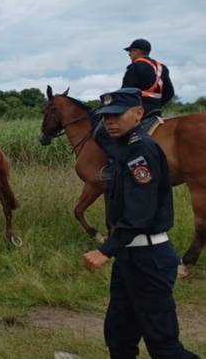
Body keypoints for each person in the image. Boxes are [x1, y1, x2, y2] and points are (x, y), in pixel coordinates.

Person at [82, 88, 198, 359]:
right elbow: (99, 135)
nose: (109, 121)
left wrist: (105, 250)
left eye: (116, 115)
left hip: (149, 258)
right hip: (129, 256)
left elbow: (140, 212)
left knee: (163, 344)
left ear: (138, 114)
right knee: (119, 336)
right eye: (105, 116)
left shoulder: (141, 152)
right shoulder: (123, 148)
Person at [121, 39, 174, 119]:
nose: (129, 54)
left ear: (137, 51)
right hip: (156, 110)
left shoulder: (135, 66)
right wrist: (156, 104)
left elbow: (126, 92)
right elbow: (170, 92)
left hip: (138, 112)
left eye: (131, 51)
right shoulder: (163, 68)